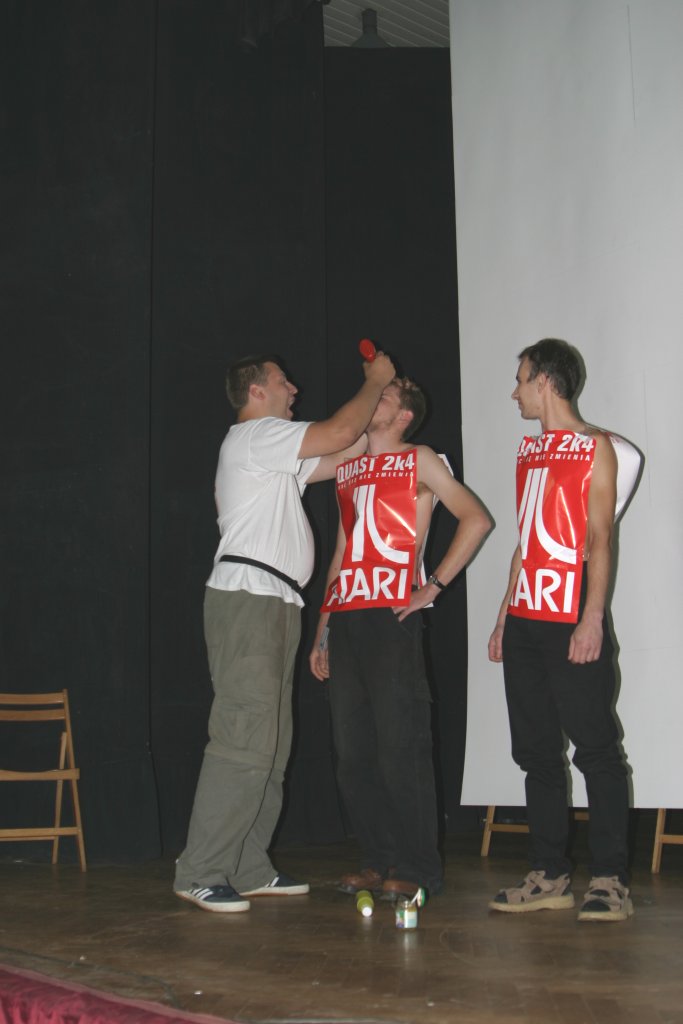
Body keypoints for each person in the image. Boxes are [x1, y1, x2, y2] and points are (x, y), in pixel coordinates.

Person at [174, 349, 396, 913]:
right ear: (256, 392)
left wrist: (378, 416)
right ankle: (200, 870)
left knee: (270, 747)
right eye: (281, 381)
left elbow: (343, 451)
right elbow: (338, 432)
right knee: (243, 738)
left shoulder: (271, 452)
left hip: (274, 601)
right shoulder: (255, 436)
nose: (293, 388)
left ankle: (246, 866)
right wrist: (374, 382)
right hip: (248, 599)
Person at [309, 377, 491, 900]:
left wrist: (432, 588)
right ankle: (377, 858)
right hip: (348, 616)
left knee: (400, 747)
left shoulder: (420, 459)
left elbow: (476, 519)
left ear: (405, 415)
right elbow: (342, 553)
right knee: (353, 753)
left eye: (384, 398)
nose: (373, 402)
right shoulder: (350, 467)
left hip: (392, 618)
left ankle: (417, 867)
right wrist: (322, 631)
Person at [487, 337, 636, 922]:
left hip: (571, 609)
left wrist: (591, 617)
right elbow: (526, 540)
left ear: (546, 381)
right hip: (527, 616)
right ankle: (548, 874)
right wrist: (504, 614)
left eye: (521, 379)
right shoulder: (530, 452)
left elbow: (600, 537)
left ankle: (610, 879)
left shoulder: (595, 446)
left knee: (595, 748)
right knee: (536, 752)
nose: (515, 392)